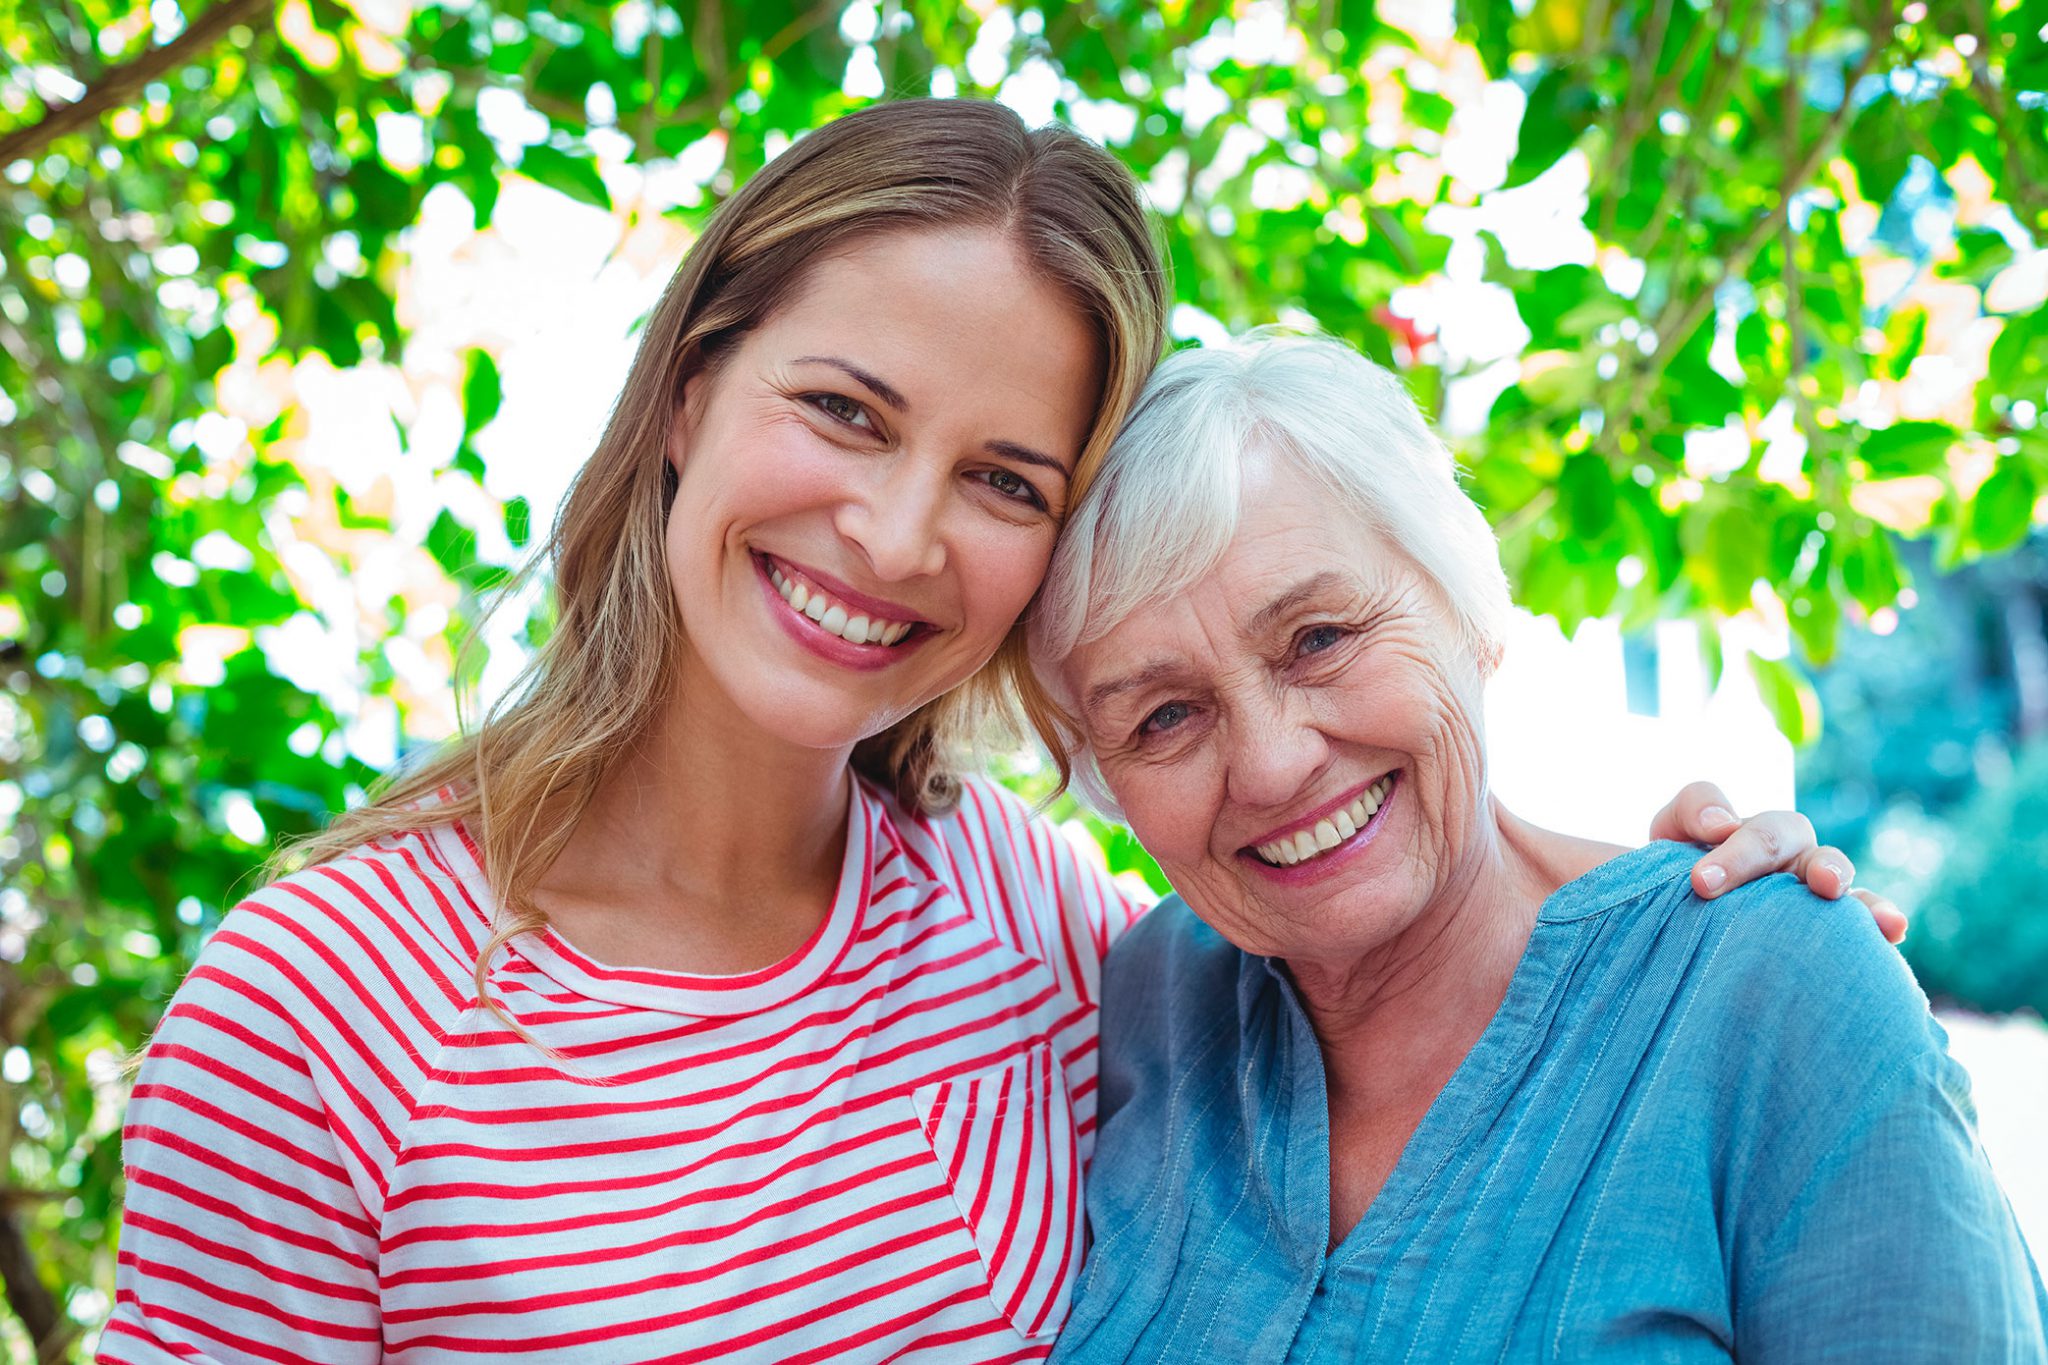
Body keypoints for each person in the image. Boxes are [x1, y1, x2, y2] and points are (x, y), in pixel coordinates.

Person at [105, 102, 1884, 1365]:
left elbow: (1354, 911)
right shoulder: (317, 1007)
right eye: (842, 412)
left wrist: (1693, 908)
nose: (892, 535)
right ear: (686, 393)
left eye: (999, 479)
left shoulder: (1034, 921)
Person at [1032, 330, 2048, 1363]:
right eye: (1162, 717)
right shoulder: (1147, 996)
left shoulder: (1770, 990)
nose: (1269, 764)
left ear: (1468, 607)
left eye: (1319, 638)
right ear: (1103, 778)